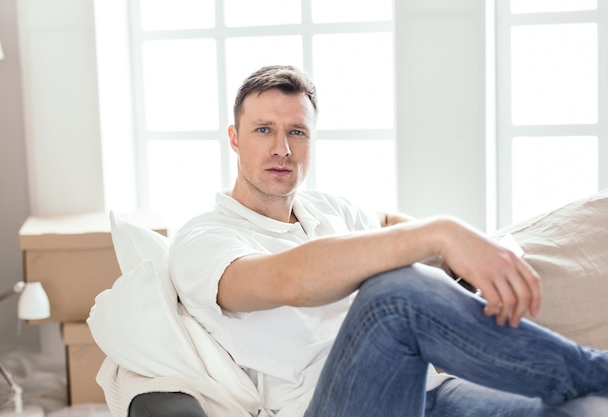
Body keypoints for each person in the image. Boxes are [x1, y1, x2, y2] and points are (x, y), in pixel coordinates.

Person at [169, 65, 608, 417]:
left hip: (422, 391)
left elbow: (383, 221)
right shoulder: (205, 236)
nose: (282, 148)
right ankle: (597, 369)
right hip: (324, 407)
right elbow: (289, 280)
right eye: (263, 130)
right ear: (234, 139)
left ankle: (589, 382)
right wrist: (442, 232)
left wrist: (455, 258)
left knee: (582, 409)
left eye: (297, 132)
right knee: (392, 294)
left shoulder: (326, 209)